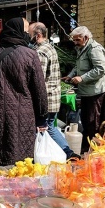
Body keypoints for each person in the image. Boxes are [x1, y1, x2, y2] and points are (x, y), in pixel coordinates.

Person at [0, 17, 48, 170]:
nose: (27, 34)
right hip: (22, 114)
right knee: (18, 161)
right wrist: (42, 117)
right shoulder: (30, 55)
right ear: (20, 32)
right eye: (26, 31)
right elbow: (39, 90)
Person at [29, 22, 75, 159]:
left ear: (37, 35)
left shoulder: (41, 51)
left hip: (46, 98)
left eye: (30, 34)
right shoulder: (49, 47)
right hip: (52, 96)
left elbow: (39, 77)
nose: (28, 37)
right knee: (50, 126)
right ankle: (68, 153)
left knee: (47, 127)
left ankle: (67, 153)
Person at [61, 26, 105, 153]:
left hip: (95, 92)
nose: (75, 43)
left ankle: (93, 150)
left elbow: (101, 69)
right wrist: (70, 76)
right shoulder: (82, 48)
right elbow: (78, 66)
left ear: (86, 38)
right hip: (86, 91)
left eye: (77, 40)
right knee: (86, 121)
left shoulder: (94, 49)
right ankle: (86, 148)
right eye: (74, 40)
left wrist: (82, 78)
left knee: (93, 122)